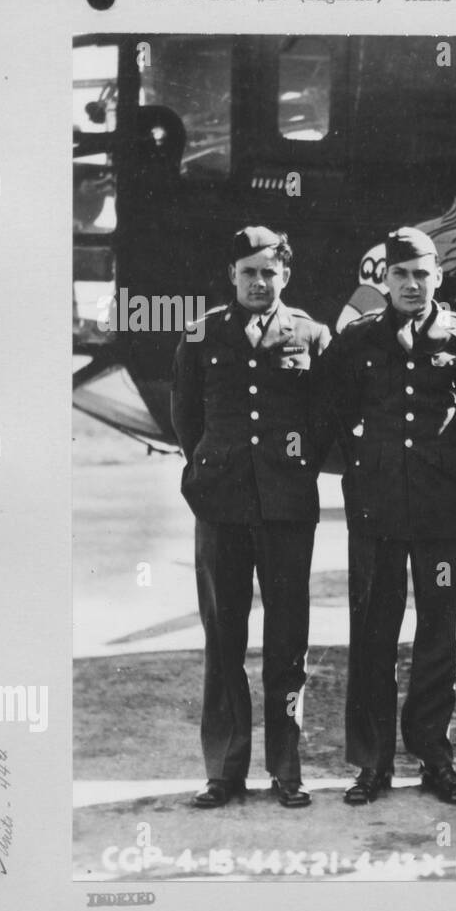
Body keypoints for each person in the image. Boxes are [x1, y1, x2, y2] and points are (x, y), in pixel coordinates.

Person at [316, 227, 456, 805]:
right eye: (401, 275)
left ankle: (435, 758)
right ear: (384, 279)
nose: (412, 285)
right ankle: (373, 764)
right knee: (373, 634)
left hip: (441, 513)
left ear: (438, 275)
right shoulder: (356, 340)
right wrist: (369, 465)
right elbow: (336, 416)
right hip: (377, 510)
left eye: (422, 274)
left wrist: (454, 468)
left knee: (437, 635)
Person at [170, 226, 331, 809]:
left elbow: (325, 418)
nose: (259, 282)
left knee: (288, 641)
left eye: (269, 272)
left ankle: (287, 770)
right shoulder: (201, 332)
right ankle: (225, 770)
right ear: (231, 276)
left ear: (285, 275)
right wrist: (208, 466)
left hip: (286, 508)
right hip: (220, 506)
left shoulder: (311, 333)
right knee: (223, 640)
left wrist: (296, 466)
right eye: (248, 272)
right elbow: (185, 416)